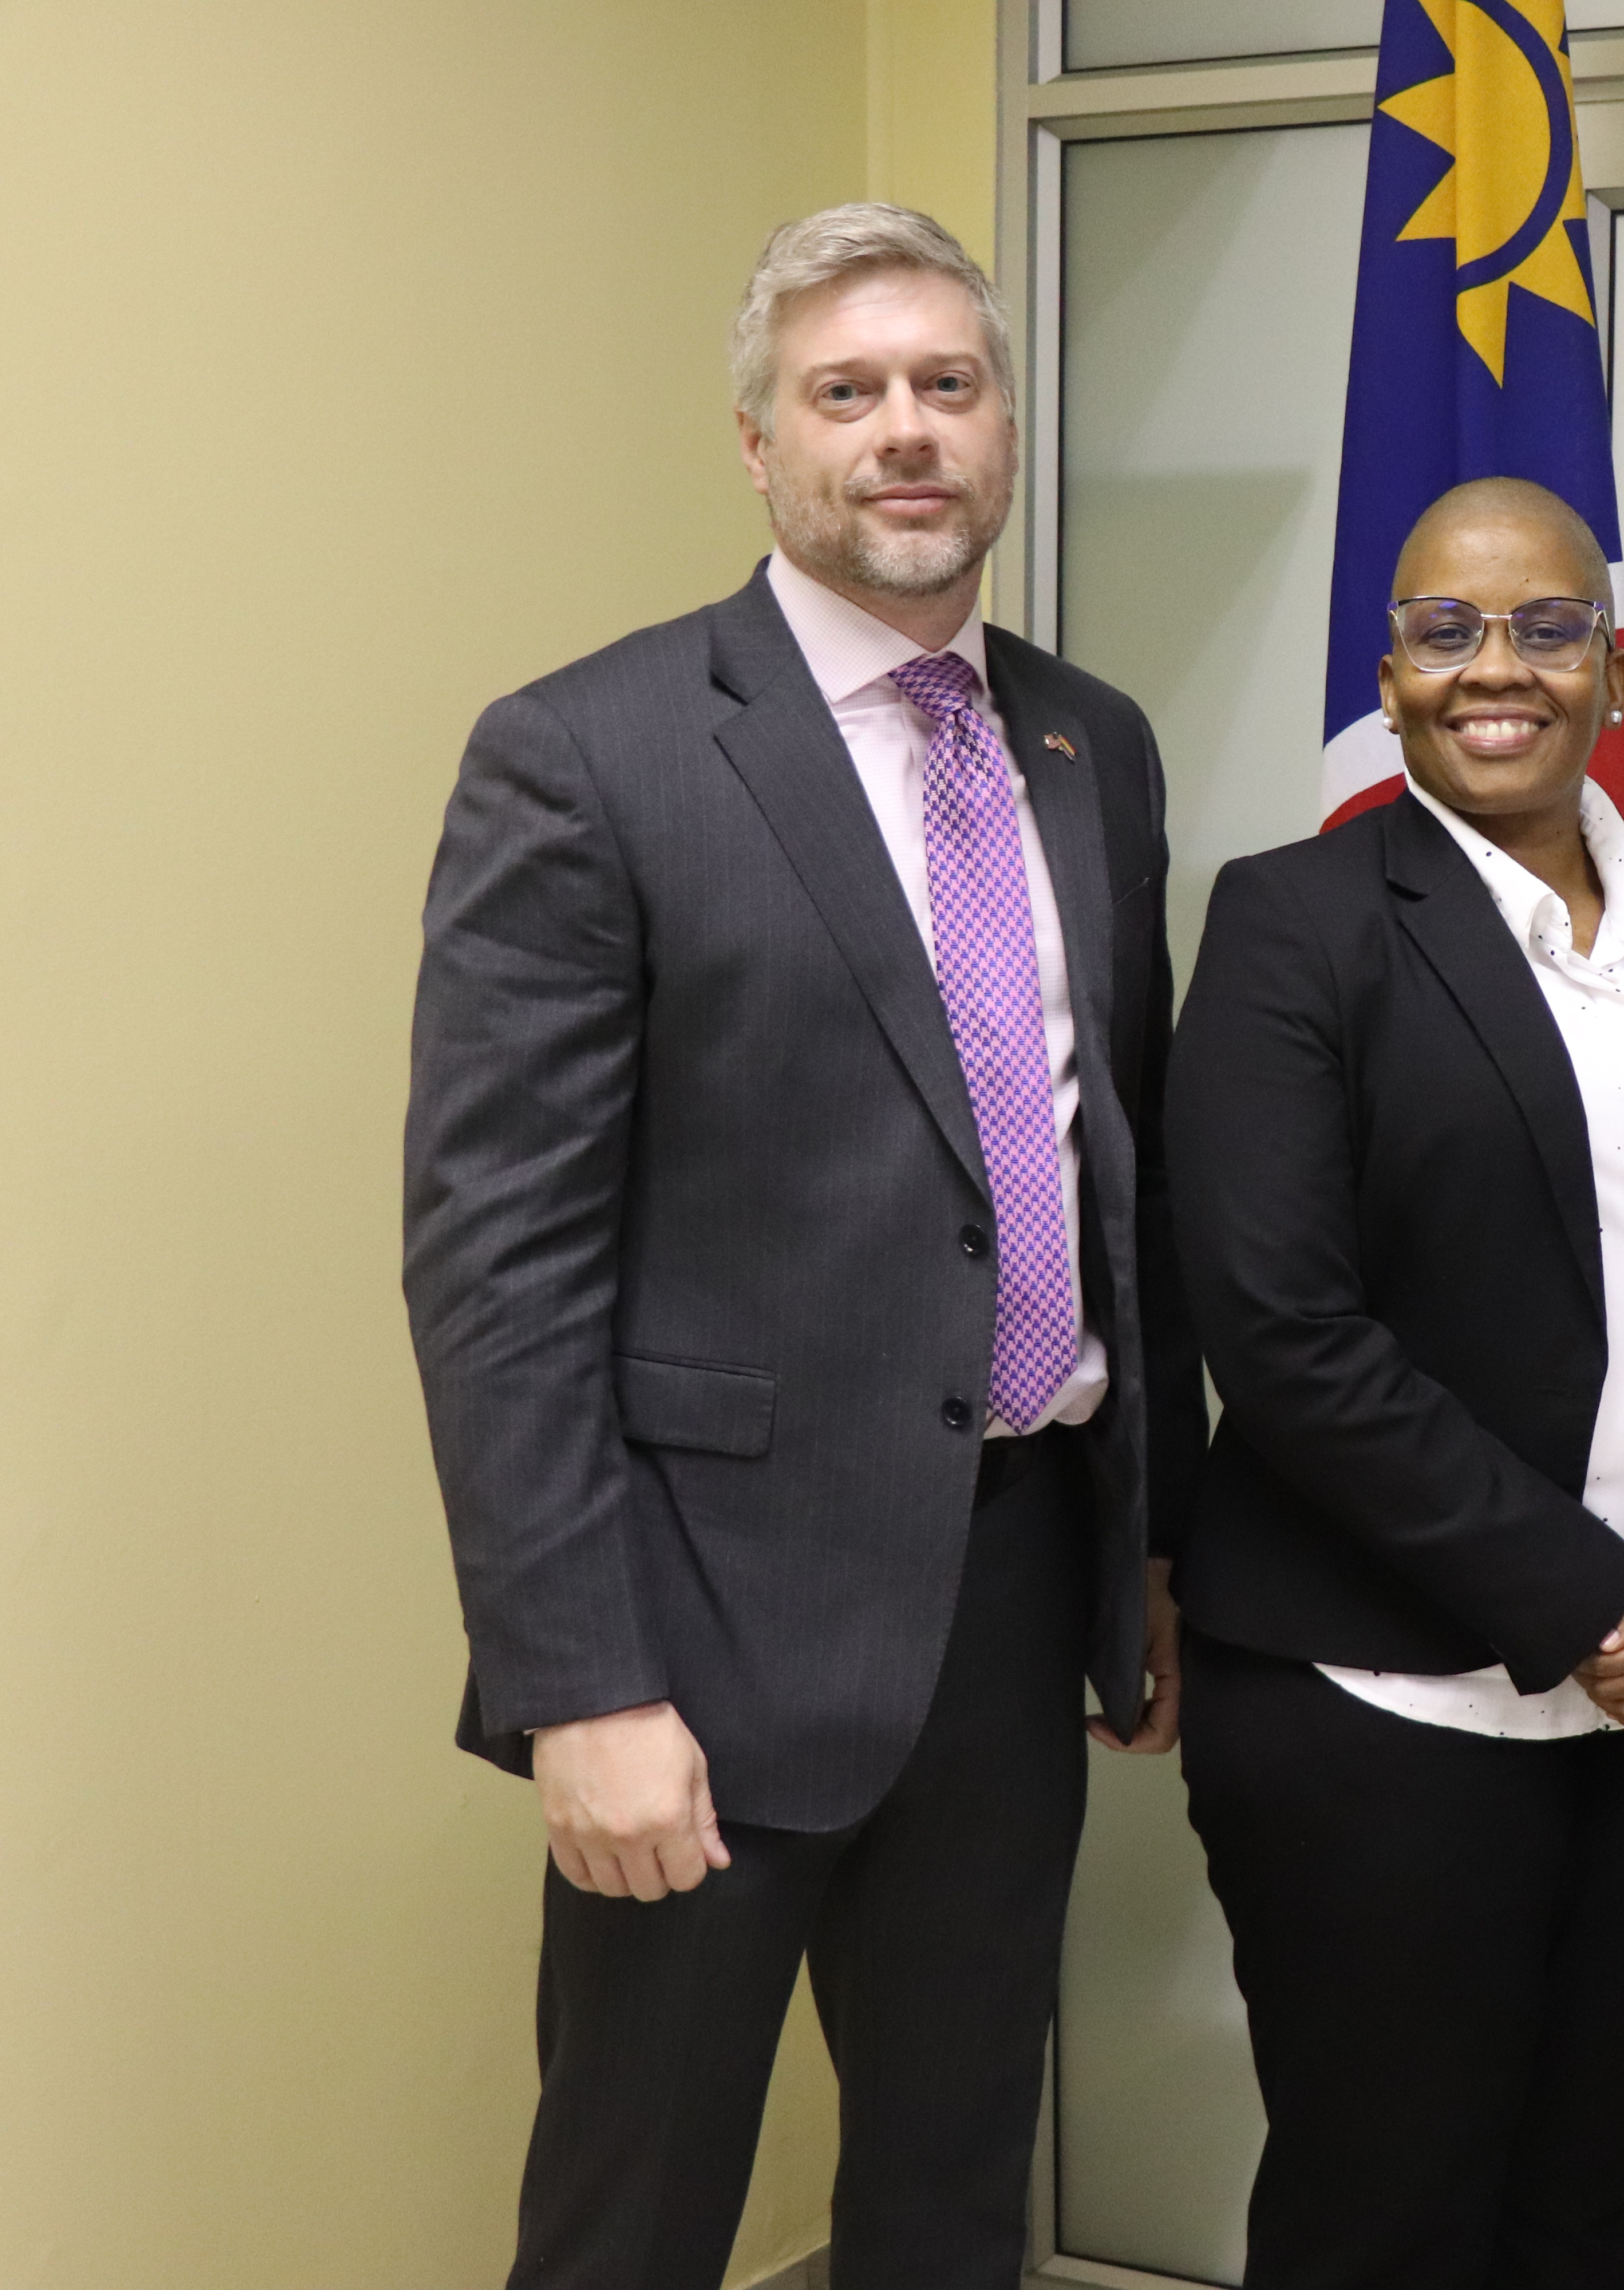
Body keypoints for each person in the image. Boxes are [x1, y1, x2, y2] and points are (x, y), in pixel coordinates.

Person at [402, 204, 1198, 2289]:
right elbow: (499, 1271)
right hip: (704, 1634)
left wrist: (1144, 1551)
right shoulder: (591, 755)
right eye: (847, 393)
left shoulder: (1090, 743)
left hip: (1015, 1592)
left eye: (949, 384)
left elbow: (1119, 1172)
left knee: (952, 2199)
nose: (905, 432)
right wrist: (583, 1687)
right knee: (636, 2218)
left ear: (1005, 430)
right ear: (761, 446)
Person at [1165, 476, 1624, 2289]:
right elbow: (1287, 1336)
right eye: (1448, 630)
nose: (1500, 668)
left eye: (1549, 628)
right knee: (1384, 2227)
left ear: (1613, 671)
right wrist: (1592, 1611)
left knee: (1579, 2217)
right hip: (1380, 1716)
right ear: (1391, 678)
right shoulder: (1294, 923)